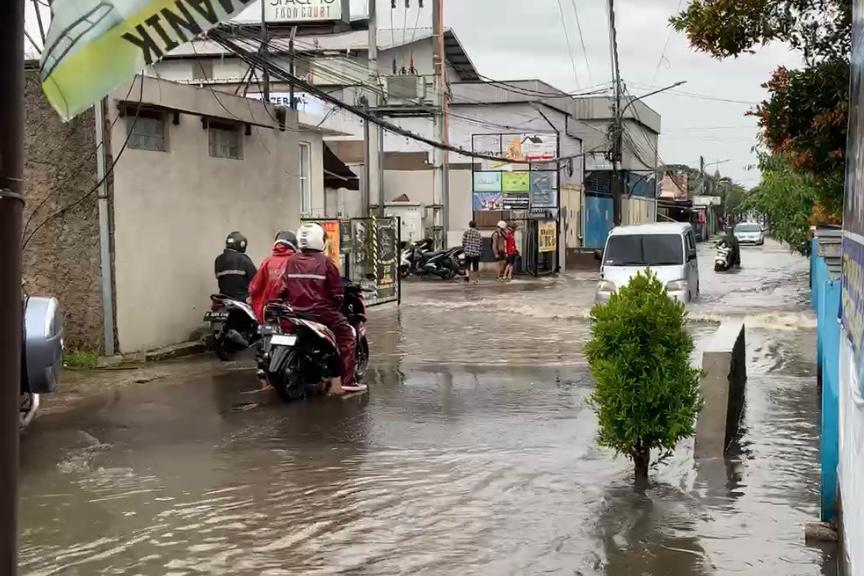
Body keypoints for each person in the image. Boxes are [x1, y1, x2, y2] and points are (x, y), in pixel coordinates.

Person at [280, 223, 367, 395]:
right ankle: (348, 381)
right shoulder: (326, 263)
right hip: (321, 311)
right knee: (348, 334)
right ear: (318, 240)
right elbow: (337, 293)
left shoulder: (291, 261)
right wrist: (336, 307)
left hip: (296, 310)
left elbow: (284, 287)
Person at [248, 231, 297, 322]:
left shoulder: (267, 261)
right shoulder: (296, 262)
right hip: (289, 311)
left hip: (268, 309)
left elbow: (255, 286)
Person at [214, 231, 257, 301]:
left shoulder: (218, 260)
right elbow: (256, 279)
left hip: (223, 300)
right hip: (242, 300)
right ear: (242, 245)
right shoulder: (244, 259)